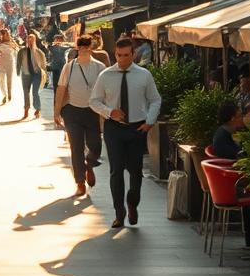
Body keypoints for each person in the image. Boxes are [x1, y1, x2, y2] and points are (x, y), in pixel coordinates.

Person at [89, 37, 161, 228]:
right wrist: (109, 112)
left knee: (136, 171)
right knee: (116, 171)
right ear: (115, 54)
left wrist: (150, 121)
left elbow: (155, 100)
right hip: (114, 128)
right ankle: (119, 212)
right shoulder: (105, 75)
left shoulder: (144, 75)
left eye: (126, 55)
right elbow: (94, 101)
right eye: (119, 56)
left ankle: (132, 203)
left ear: (133, 54)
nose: (122, 59)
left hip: (137, 128)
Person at [54, 35, 106, 196]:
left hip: (93, 112)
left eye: (86, 45)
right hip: (72, 112)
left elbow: (107, 90)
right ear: (77, 47)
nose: (83, 48)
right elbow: (61, 89)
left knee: (96, 145)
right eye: (80, 45)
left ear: (91, 47)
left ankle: (89, 164)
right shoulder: (69, 67)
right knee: (76, 147)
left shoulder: (100, 67)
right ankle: (80, 182)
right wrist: (56, 112)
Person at [15, 31, 48, 120]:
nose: (30, 41)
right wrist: (17, 71)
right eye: (28, 39)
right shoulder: (22, 51)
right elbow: (18, 62)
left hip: (36, 74)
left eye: (32, 39)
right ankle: (26, 109)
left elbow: (44, 66)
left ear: (35, 40)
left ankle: (37, 108)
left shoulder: (39, 52)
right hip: (25, 74)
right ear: (26, 40)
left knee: (35, 92)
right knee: (26, 92)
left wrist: (45, 77)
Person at [0, 28, 18, 104]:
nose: (7, 35)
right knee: (1, 80)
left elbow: (17, 50)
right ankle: (4, 95)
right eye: (5, 34)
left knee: (9, 79)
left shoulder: (12, 43)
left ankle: (9, 92)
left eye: (7, 33)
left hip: (10, 63)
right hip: (1, 63)